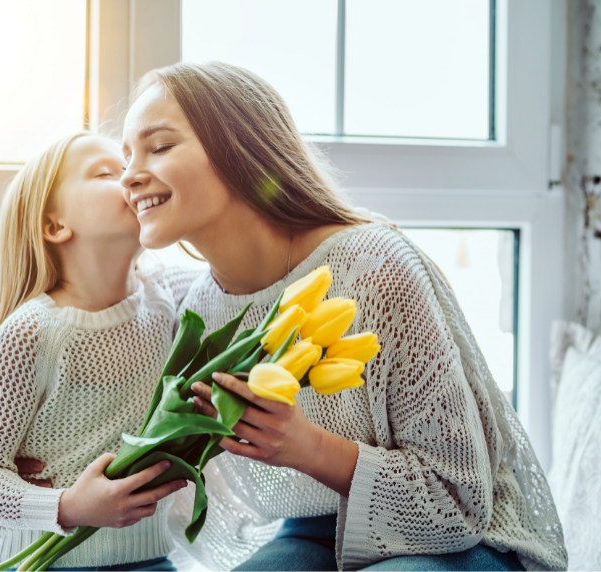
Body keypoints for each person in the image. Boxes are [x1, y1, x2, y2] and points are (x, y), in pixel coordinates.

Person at [119, 62, 568, 571]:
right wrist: (50, 491)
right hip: (315, 533)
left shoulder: (376, 268)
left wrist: (309, 447)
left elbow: (460, 504)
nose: (130, 175)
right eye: (125, 156)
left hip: (466, 540)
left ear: (240, 149)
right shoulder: (197, 308)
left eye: (159, 147)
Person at [0, 133, 195, 571]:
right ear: (55, 226)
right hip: (39, 563)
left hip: (150, 558)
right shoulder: (32, 334)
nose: (131, 178)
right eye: (108, 173)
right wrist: (67, 506)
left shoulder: (171, 295)